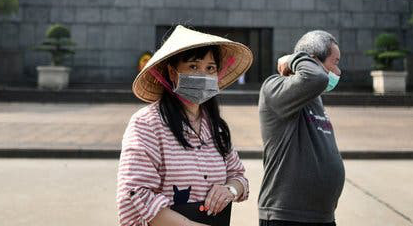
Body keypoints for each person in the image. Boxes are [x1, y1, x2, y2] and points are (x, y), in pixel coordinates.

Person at [117, 25, 254, 226]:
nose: (203, 75)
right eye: (193, 67)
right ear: (173, 73)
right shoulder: (146, 124)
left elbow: (238, 176)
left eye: (210, 68)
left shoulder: (215, 126)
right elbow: (136, 193)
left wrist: (230, 190)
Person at [258, 30, 344, 226]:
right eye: (335, 62)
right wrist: (293, 59)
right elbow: (317, 78)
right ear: (312, 60)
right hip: (287, 216)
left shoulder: (314, 97)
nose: (338, 72)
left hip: (320, 216)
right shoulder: (275, 87)